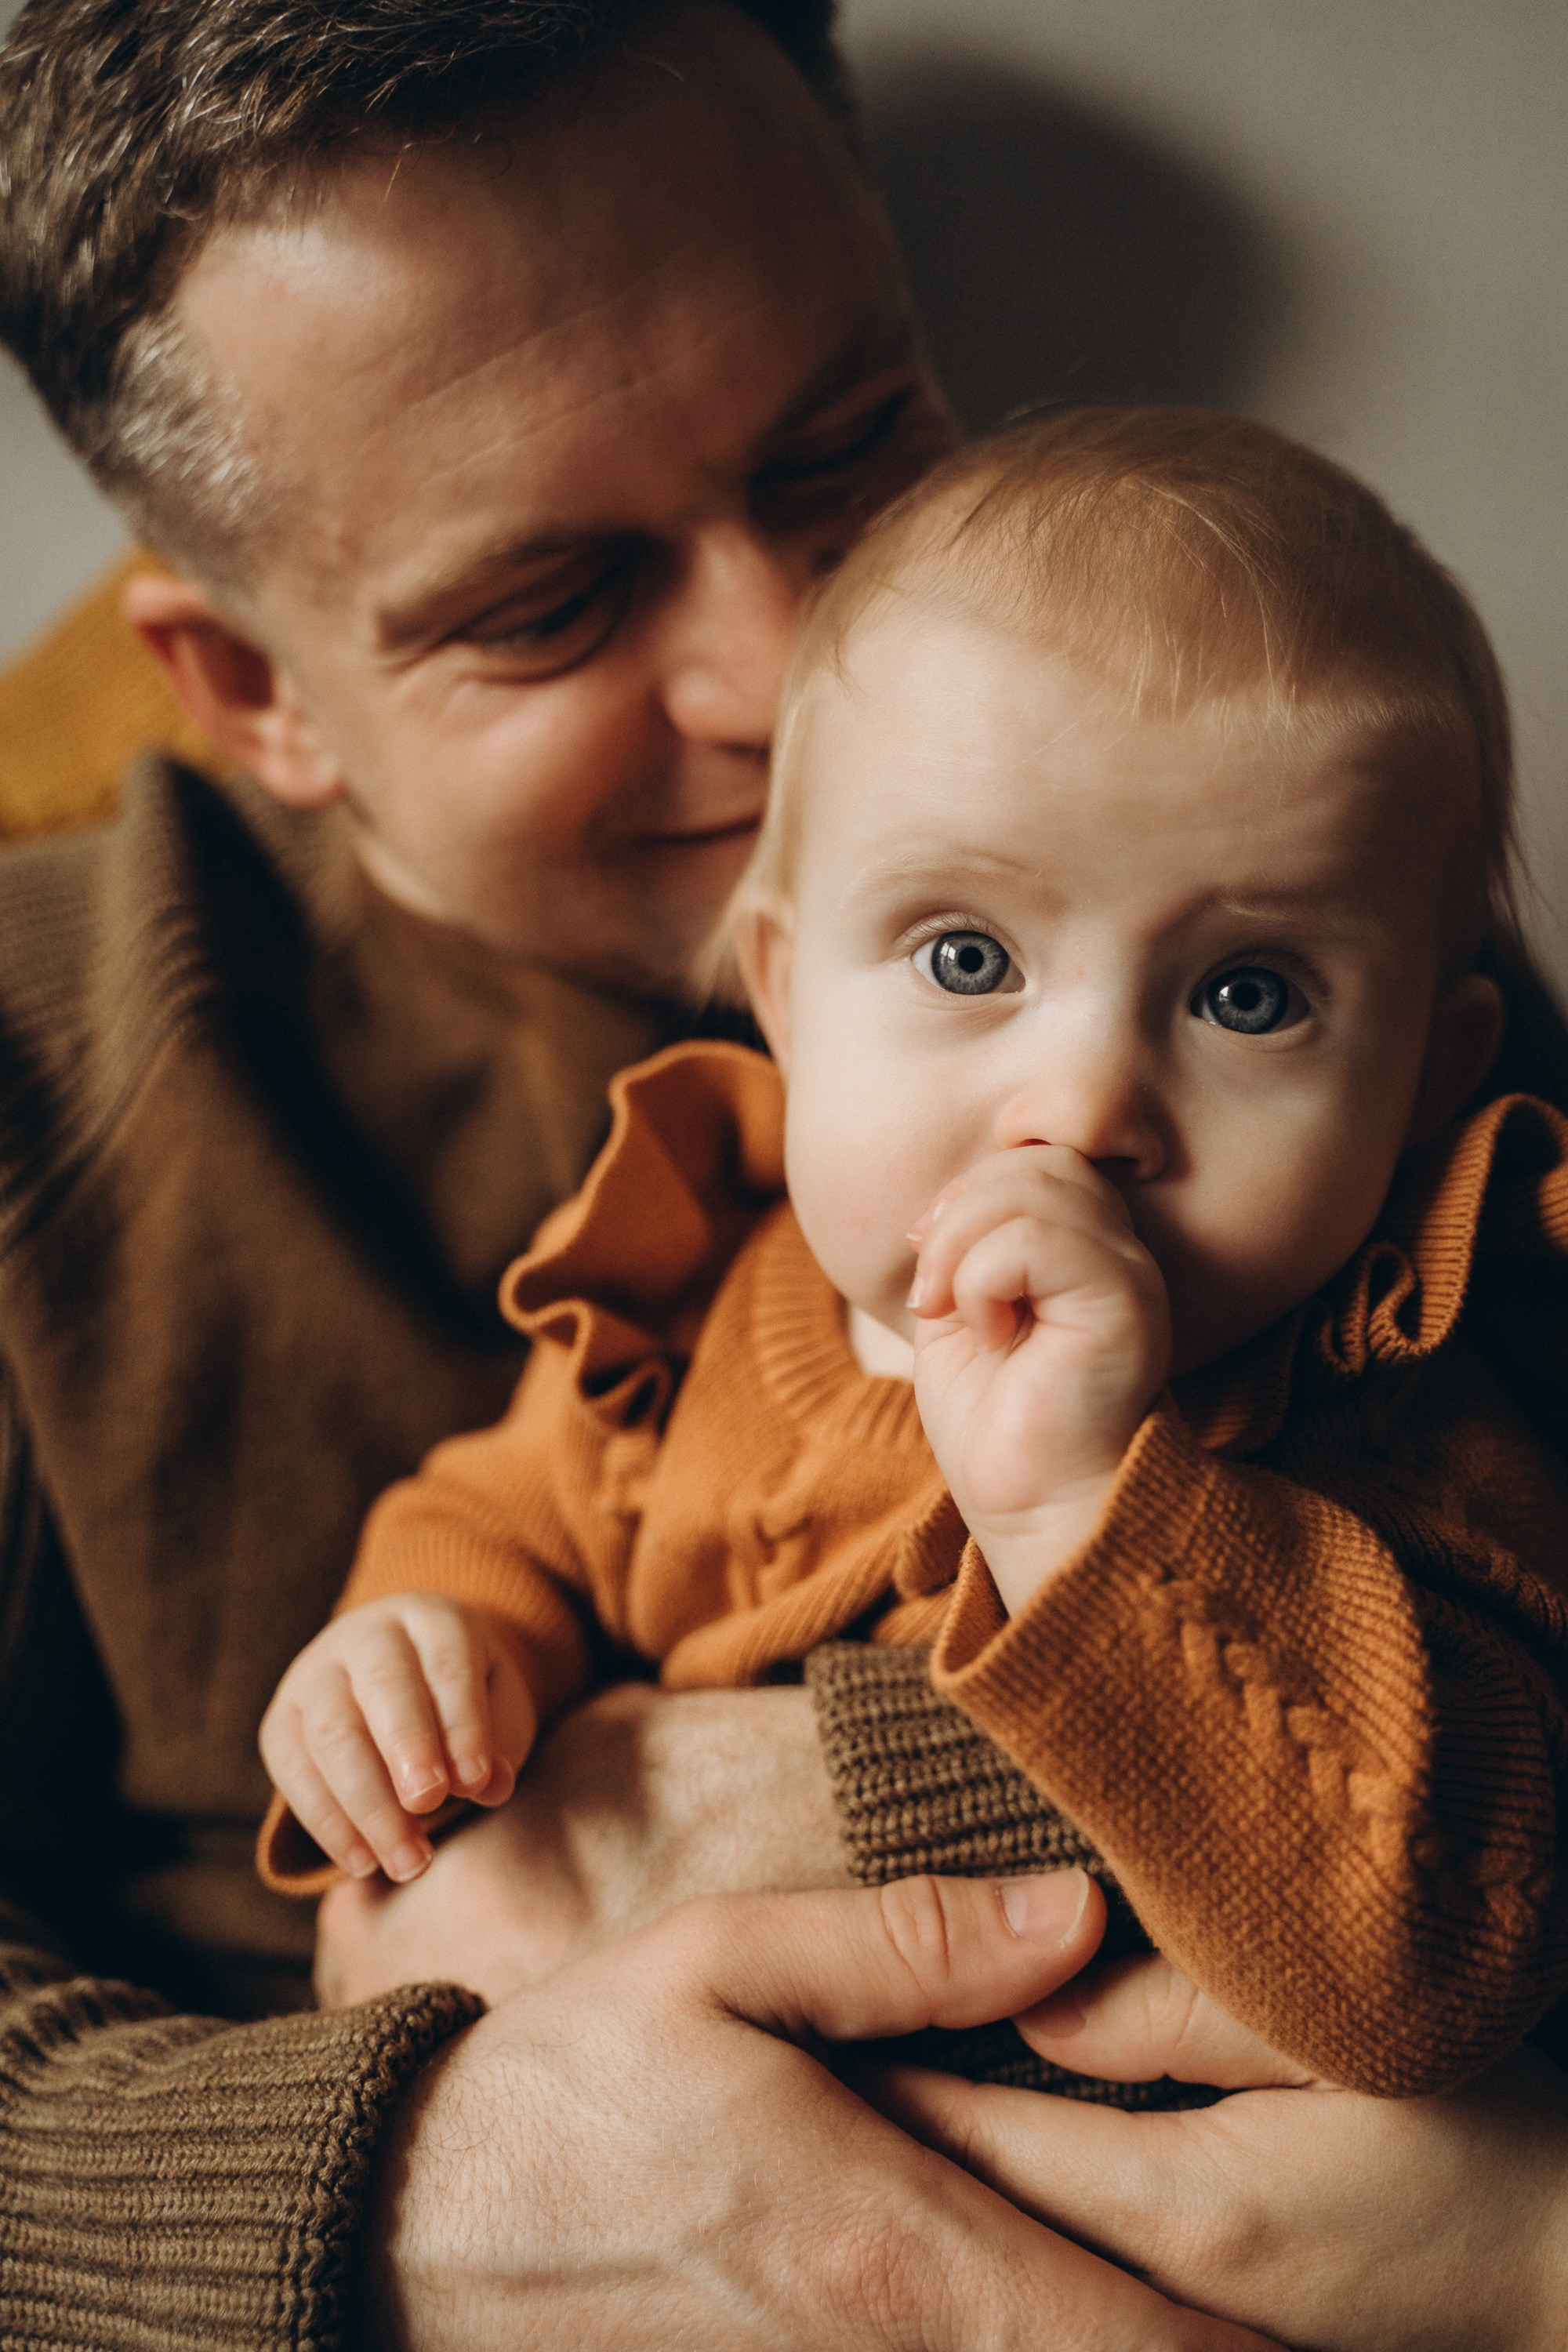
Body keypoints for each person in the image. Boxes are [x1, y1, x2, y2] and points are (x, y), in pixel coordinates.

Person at [0, 0, 1561, 2339]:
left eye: (851, 446)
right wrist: (398, 2185)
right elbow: (509, 1513)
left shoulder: (1314, 932)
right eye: (552, 605)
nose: (794, 645)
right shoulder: (51, 1092)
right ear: (252, 695)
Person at [256, 408, 1568, 2103]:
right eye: (967, 956)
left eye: (1250, 995)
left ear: (1420, 1087)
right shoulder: (707, 1297)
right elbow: (508, 1510)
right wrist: (420, 1649)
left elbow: (1444, 1955)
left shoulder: (1395, 1413)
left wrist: (1083, 1507)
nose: (1083, 1102)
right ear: (787, 995)